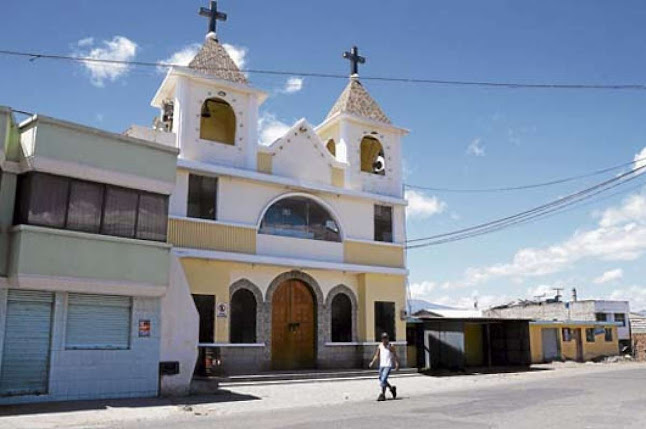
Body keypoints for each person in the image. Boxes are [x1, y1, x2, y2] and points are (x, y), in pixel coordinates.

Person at [369, 332, 400, 401]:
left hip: (388, 365)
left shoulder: (391, 346)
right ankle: (391, 388)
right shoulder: (380, 346)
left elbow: (395, 355)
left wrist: (397, 364)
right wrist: (372, 362)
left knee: (383, 379)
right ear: (382, 339)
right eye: (383, 338)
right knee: (382, 379)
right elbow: (377, 355)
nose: (385, 340)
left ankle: (382, 395)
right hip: (381, 365)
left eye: (386, 338)